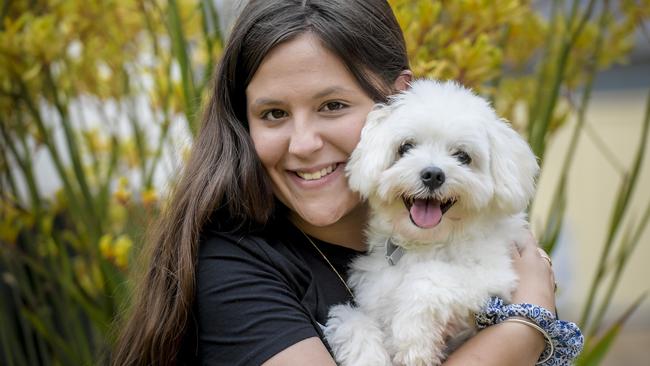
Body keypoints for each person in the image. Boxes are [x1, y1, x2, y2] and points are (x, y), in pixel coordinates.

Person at [111, 1, 558, 365]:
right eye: (274, 114)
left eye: (332, 106)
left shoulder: (473, 234)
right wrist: (529, 324)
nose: (303, 144)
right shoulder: (236, 267)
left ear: (398, 98)